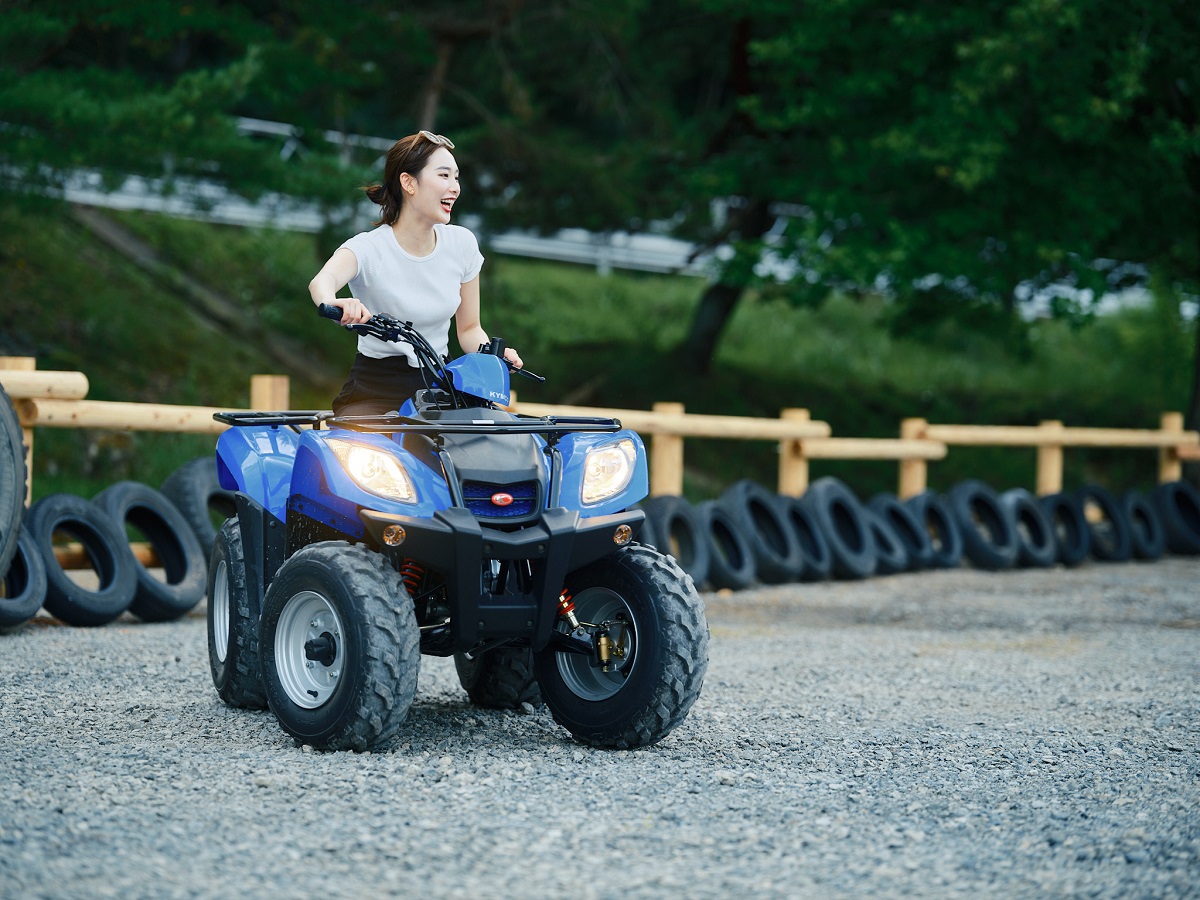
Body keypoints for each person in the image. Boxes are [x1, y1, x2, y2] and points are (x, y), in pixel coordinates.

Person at [308, 129, 522, 416]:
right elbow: (323, 281)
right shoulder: (370, 247)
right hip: (375, 389)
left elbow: (470, 329)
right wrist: (334, 301)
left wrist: (493, 357)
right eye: (444, 176)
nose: (455, 187)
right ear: (408, 182)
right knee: (362, 445)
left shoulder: (462, 244)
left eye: (456, 178)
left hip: (440, 389)